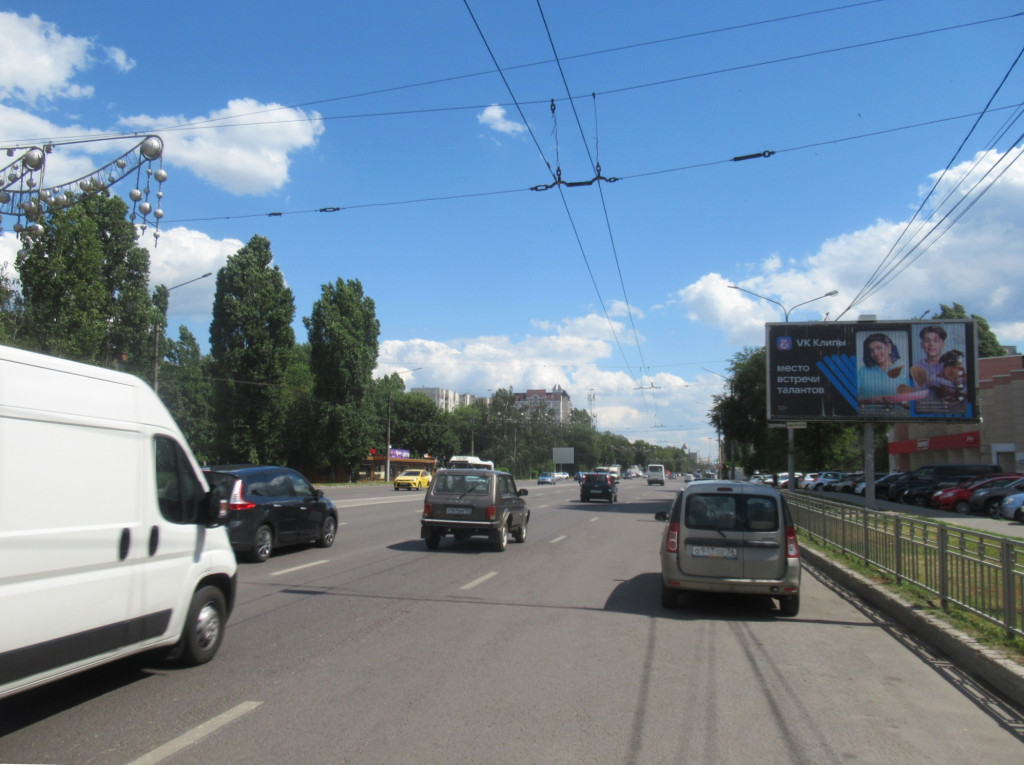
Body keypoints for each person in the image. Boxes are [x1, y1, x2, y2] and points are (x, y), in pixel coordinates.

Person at [857, 332, 911, 405]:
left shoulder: (903, 372)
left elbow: (911, 402)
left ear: (889, 347)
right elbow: (852, 398)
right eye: (871, 350)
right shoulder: (862, 372)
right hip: (868, 415)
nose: (875, 353)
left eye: (879, 348)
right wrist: (871, 400)